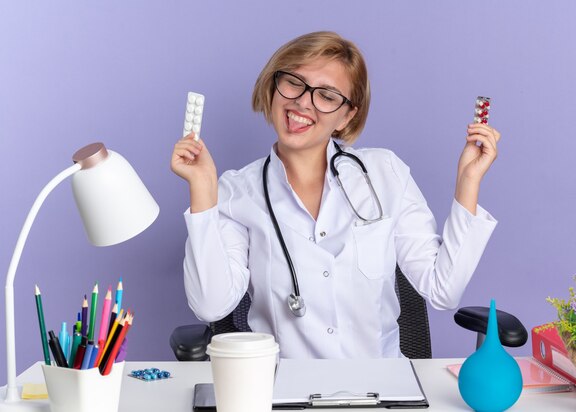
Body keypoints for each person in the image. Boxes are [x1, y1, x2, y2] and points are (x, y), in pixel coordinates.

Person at [171, 31, 500, 358]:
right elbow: (211, 306)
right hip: (285, 394)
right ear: (273, 87)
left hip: (380, 393)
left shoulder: (385, 173)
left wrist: (468, 181)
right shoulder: (237, 191)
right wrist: (202, 191)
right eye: (293, 82)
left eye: (326, 96)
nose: (302, 101)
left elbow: (442, 290)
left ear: (347, 115)